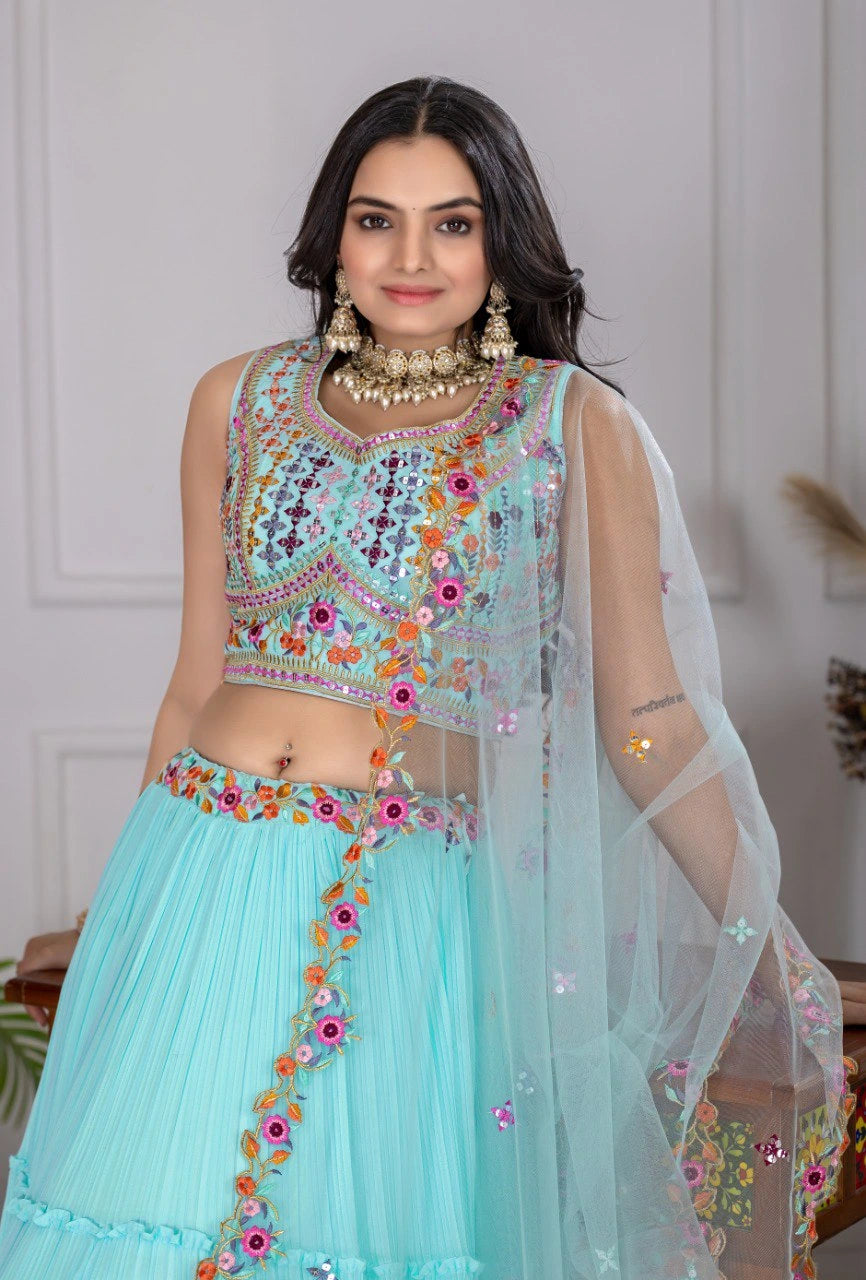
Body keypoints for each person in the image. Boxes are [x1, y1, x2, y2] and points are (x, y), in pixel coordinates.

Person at [0, 75, 859, 1280]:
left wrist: (753, 925)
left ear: (500, 236)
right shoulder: (234, 401)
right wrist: (128, 927)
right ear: (330, 234)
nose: (410, 255)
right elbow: (195, 680)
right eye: (375, 218)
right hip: (201, 874)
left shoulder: (565, 424)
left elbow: (644, 712)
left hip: (412, 906)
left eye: (451, 221)